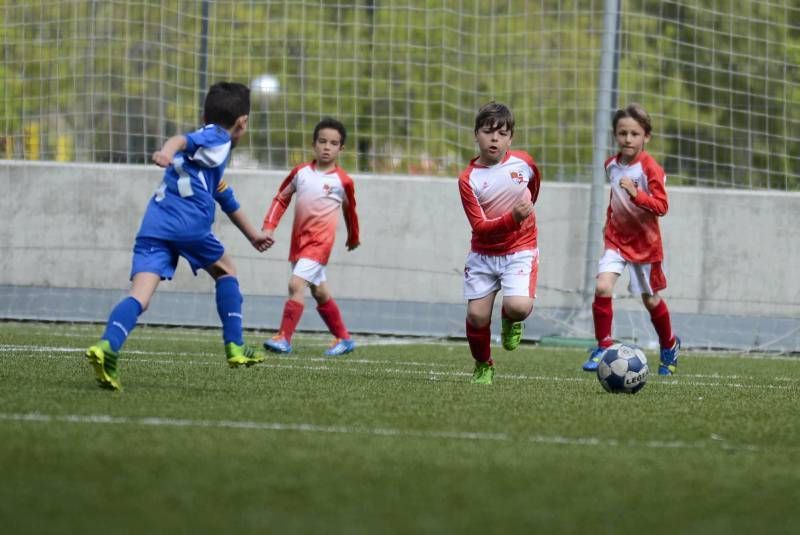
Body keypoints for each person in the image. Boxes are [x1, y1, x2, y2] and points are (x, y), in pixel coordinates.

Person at [85, 82, 271, 391]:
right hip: (188, 222)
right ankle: (235, 346)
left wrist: (253, 235)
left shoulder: (207, 154)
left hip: (155, 223)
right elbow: (181, 139)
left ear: (204, 112)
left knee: (140, 296)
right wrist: (166, 151)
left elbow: (224, 195)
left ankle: (107, 346)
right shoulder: (217, 137)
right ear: (243, 122)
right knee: (227, 270)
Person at [581, 103, 681, 375]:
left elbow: (662, 206)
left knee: (650, 300)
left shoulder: (650, 169)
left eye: (634, 134)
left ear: (646, 136)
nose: (628, 139)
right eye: (622, 133)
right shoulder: (611, 165)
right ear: (615, 135)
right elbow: (614, 199)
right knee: (603, 287)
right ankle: (603, 345)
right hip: (616, 240)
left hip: (645, 245)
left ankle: (669, 345)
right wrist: (607, 225)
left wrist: (637, 194)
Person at [260, 117, 360, 356]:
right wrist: (269, 226)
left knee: (295, 284)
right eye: (322, 141)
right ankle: (344, 338)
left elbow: (350, 211)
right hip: (300, 243)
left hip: (319, 245)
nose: (327, 147)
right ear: (314, 144)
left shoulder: (343, 181)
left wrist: (353, 236)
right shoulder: (300, 173)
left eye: (333, 143)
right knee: (320, 292)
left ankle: (284, 337)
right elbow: (281, 198)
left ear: (341, 148)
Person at [458, 102, 541, 385]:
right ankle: (483, 365)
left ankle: (510, 319)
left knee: (519, 306)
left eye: (502, 133)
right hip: (483, 255)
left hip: (520, 249)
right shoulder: (468, 179)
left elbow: (533, 191)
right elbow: (479, 227)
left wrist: (522, 220)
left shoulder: (525, 164)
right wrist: (513, 217)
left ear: (511, 138)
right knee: (476, 316)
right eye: (488, 131)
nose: (495, 138)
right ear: (476, 134)